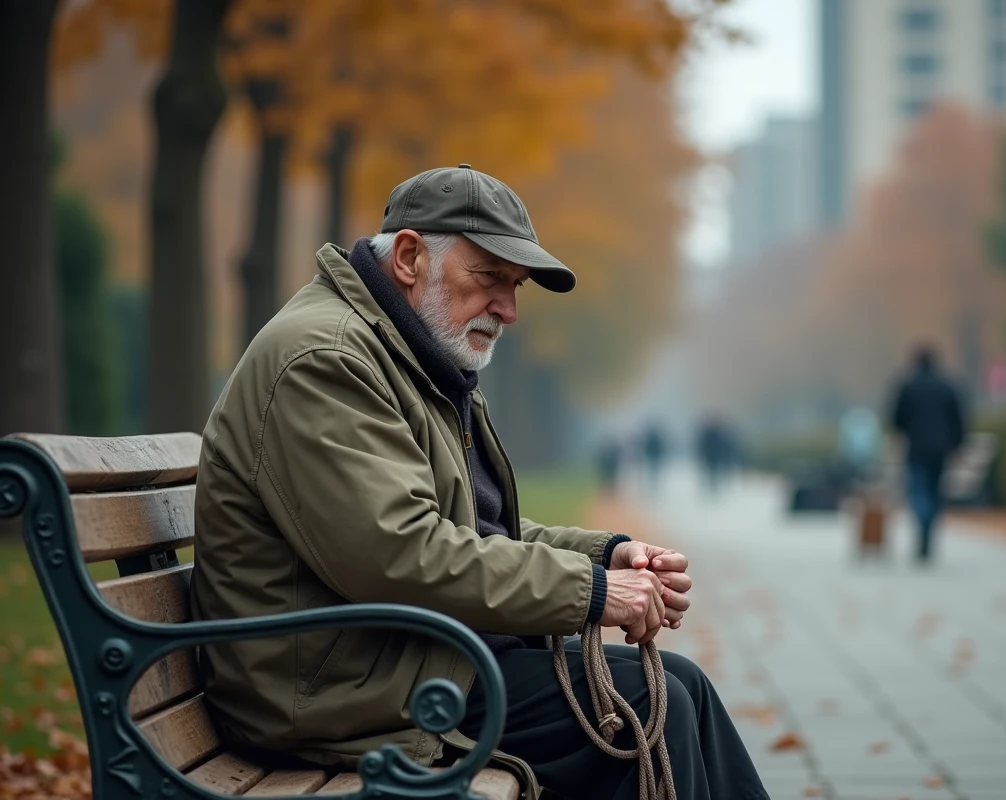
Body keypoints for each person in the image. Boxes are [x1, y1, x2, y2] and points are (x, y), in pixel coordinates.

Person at [189, 165, 767, 800]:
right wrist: (594, 591)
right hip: (333, 695)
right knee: (651, 706)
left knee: (684, 685)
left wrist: (606, 555)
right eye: (489, 277)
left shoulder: (412, 357)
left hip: (398, 660)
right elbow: (399, 553)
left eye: (514, 286)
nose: (509, 310)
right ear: (409, 258)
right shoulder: (326, 360)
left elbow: (474, 530)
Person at [888, 345, 966, 563]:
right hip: (940, 448)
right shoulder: (947, 386)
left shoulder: (907, 385)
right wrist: (957, 444)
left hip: (916, 448)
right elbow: (957, 418)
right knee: (934, 490)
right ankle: (928, 528)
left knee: (918, 489)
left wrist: (901, 436)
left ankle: (922, 526)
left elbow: (897, 419)